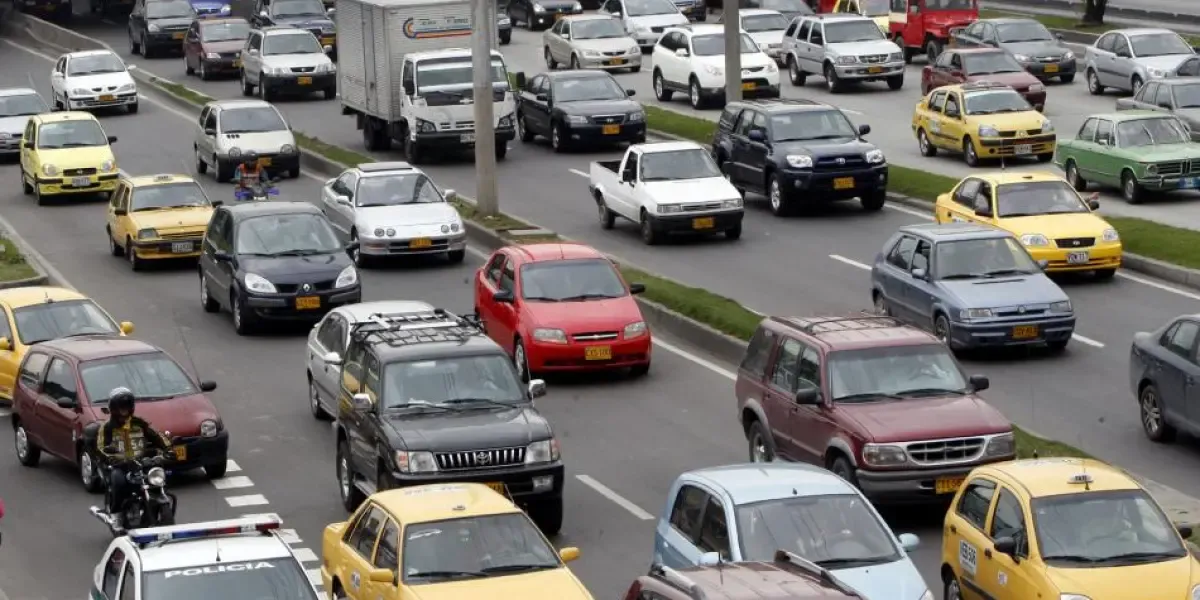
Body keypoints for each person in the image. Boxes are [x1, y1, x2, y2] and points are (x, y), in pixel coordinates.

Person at [96, 387, 171, 530]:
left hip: (140, 462)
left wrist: (168, 449)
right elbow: (101, 447)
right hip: (120, 466)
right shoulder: (107, 427)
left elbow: (157, 436)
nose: (123, 409)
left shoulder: (140, 423)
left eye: (126, 405)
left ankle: (157, 505)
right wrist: (112, 458)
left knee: (158, 476)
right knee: (118, 481)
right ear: (114, 408)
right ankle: (116, 515)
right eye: (120, 406)